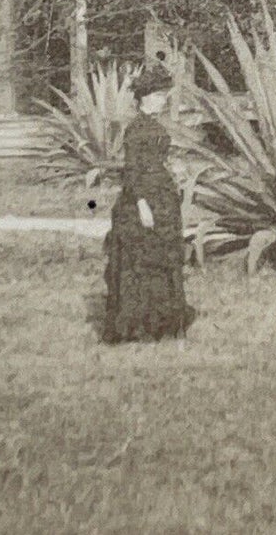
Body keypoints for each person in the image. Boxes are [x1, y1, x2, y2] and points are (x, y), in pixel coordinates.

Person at [101, 62, 195, 344]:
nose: (162, 101)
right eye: (157, 96)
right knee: (141, 263)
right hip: (143, 201)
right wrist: (142, 204)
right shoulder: (136, 129)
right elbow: (131, 170)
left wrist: (173, 170)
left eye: (164, 96)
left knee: (162, 259)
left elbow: (154, 161)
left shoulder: (152, 125)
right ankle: (138, 325)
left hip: (162, 197)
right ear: (142, 98)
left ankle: (161, 323)